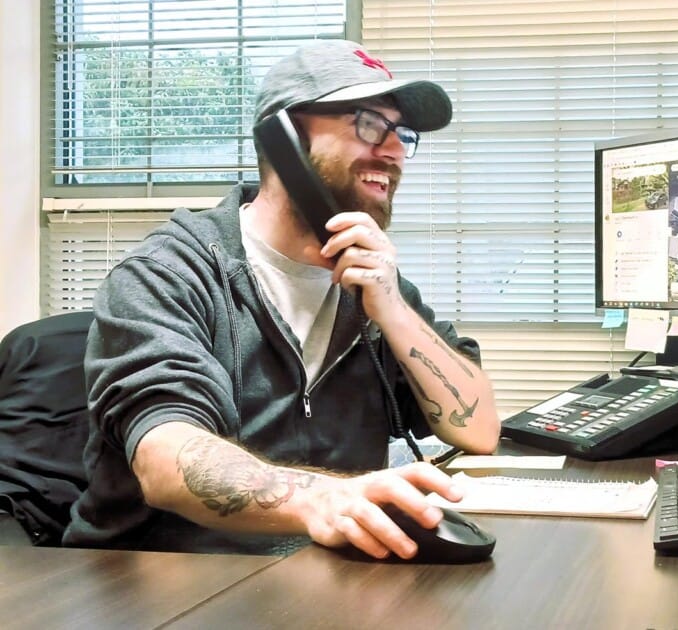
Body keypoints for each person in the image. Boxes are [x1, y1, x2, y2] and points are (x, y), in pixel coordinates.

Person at [62, 40, 501, 557]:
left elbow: (479, 430)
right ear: (284, 138)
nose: (394, 150)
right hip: (162, 581)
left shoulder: (375, 285)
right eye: (368, 124)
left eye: (402, 134)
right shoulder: (168, 275)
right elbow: (167, 459)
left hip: (319, 577)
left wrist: (394, 311)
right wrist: (323, 499)